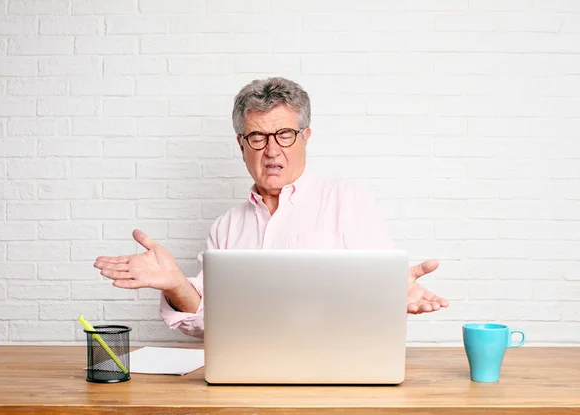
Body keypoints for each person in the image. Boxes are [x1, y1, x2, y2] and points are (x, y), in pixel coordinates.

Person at [94, 77, 449, 339]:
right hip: (246, 377)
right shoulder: (226, 227)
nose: (272, 150)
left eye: (284, 135)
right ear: (241, 144)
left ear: (305, 137)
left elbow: (380, 290)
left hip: (334, 373)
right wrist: (175, 284)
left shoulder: (347, 199)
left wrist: (391, 289)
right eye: (258, 137)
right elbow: (207, 322)